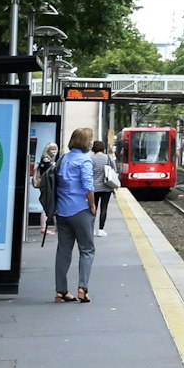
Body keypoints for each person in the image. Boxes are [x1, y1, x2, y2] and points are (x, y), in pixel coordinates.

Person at [52, 128, 98, 303]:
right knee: (86, 250)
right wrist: (92, 205)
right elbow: (88, 185)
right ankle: (82, 288)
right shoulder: (85, 160)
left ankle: (61, 291)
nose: (92, 142)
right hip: (80, 210)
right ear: (85, 142)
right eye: (91, 139)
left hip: (62, 211)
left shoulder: (64, 158)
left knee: (63, 251)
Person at [90, 139, 116, 236]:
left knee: (93, 207)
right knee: (104, 207)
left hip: (94, 187)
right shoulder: (108, 158)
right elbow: (114, 169)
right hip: (106, 187)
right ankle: (101, 229)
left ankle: (91, 229)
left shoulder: (91, 159)